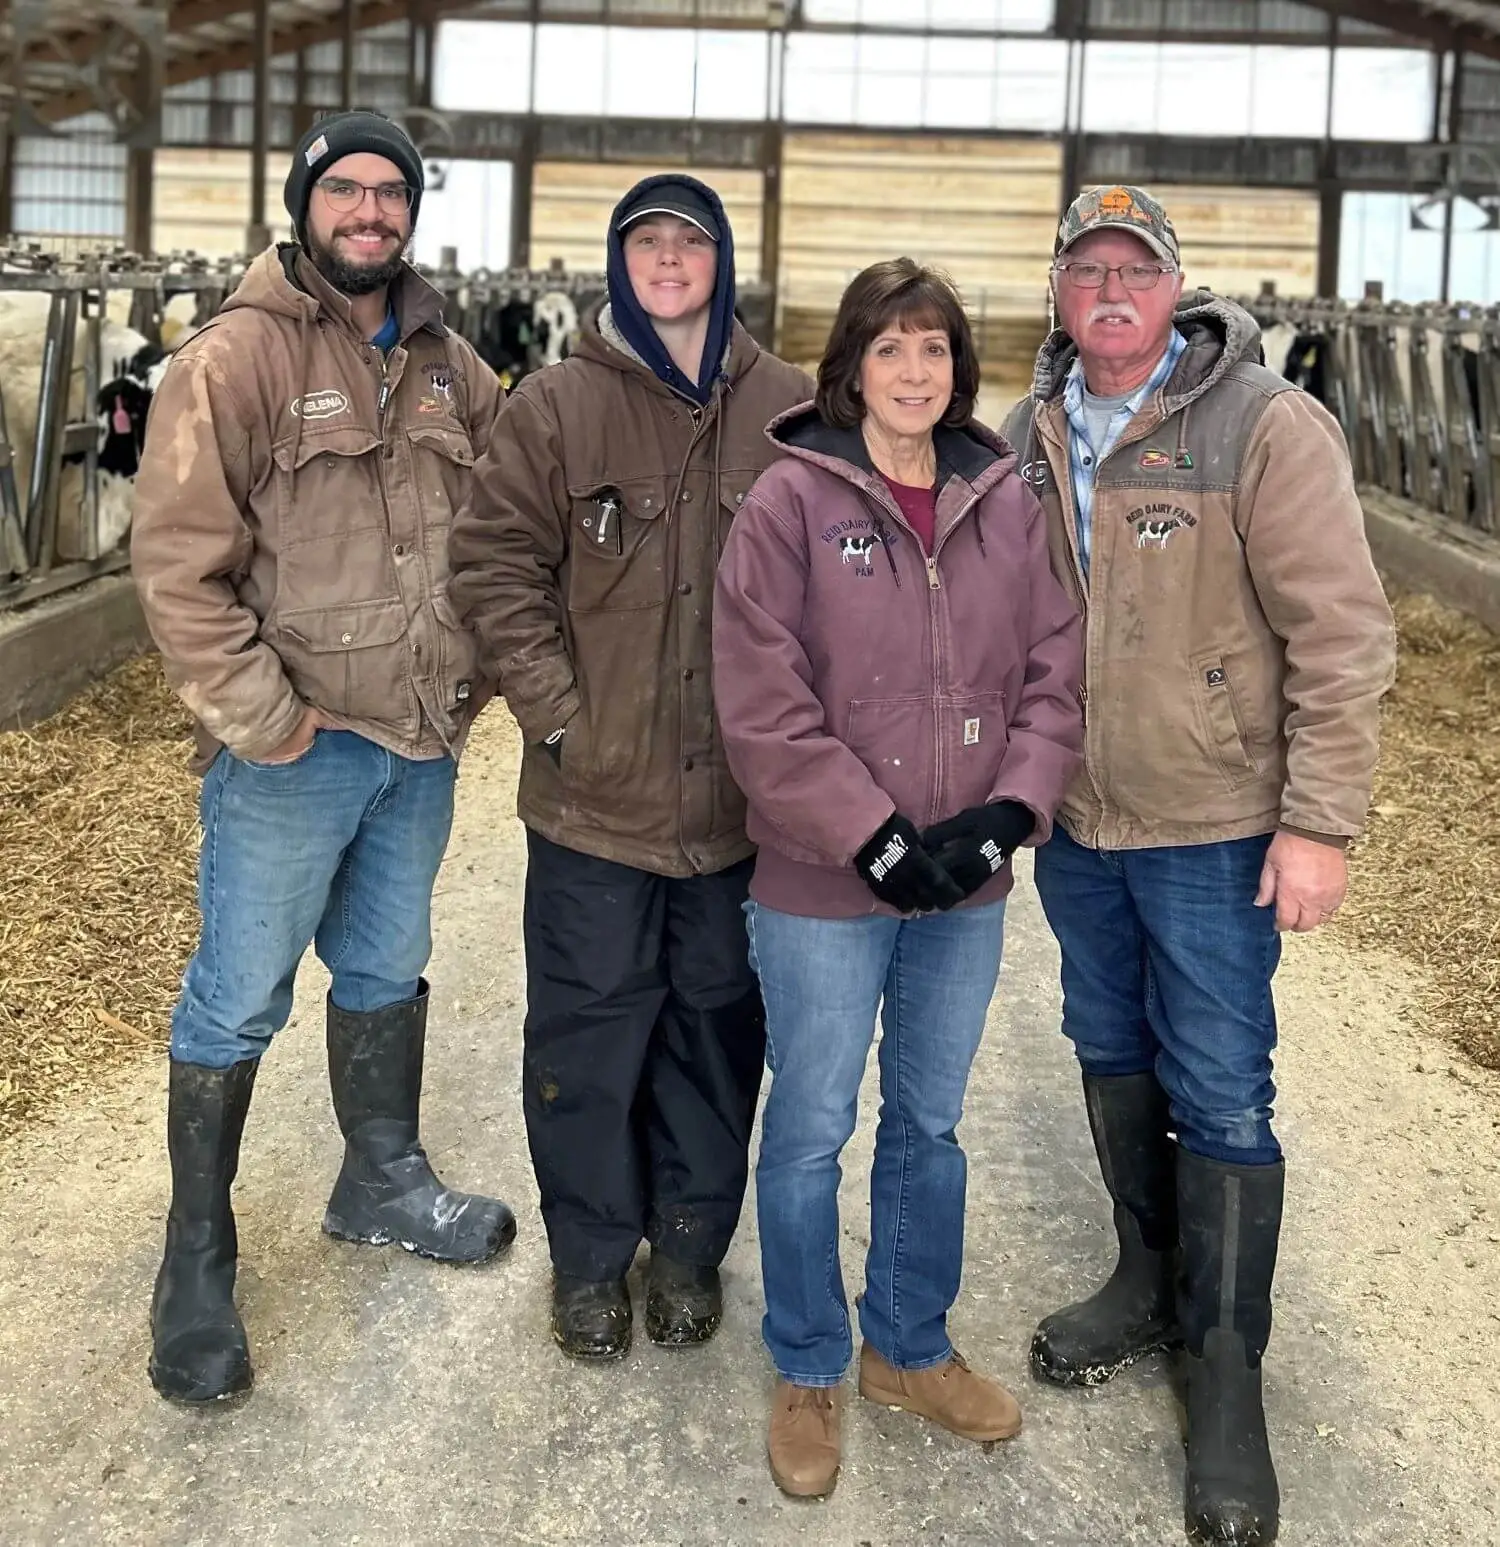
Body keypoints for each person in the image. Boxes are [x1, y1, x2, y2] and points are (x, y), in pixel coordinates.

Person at [1003, 185, 1397, 1545]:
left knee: (1222, 1076)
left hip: (1216, 821)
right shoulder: (1032, 430)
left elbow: (1342, 634)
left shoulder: (1262, 425)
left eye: (1136, 267)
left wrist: (1319, 821)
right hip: (1079, 823)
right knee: (1107, 1035)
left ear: (1176, 287)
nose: (1111, 288)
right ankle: (1146, 1274)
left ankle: (1227, 1367)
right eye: (1088, 268)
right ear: (1057, 291)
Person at [130, 110, 515, 1405]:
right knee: (237, 994)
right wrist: (266, 718)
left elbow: (511, 521)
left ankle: (379, 1177)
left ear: (412, 211)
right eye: (345, 189)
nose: (370, 211)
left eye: (389, 192)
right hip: (295, 752)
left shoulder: (456, 363)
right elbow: (178, 566)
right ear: (306, 204)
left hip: (419, 740)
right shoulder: (232, 360)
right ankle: (196, 1256)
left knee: (387, 961)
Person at [712, 258, 1084, 1498]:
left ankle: (908, 1345)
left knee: (929, 1121)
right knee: (814, 1124)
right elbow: (762, 701)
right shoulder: (788, 503)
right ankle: (809, 1359)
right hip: (824, 884)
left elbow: (1053, 668)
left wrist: (1005, 815)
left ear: (959, 370)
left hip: (964, 885)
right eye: (891, 350)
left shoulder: (1003, 500)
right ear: (851, 368)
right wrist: (868, 831)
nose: (915, 373)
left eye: (935, 351)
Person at [448, 175, 812, 1362]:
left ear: (724, 263)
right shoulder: (554, 405)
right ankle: (594, 1260)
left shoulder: (788, 407)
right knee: (587, 1037)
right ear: (618, 260)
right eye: (646, 241)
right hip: (593, 803)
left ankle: (692, 1245)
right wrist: (558, 716)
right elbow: (496, 564)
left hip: (738, 810)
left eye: (689, 242)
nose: (668, 259)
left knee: (715, 1031)